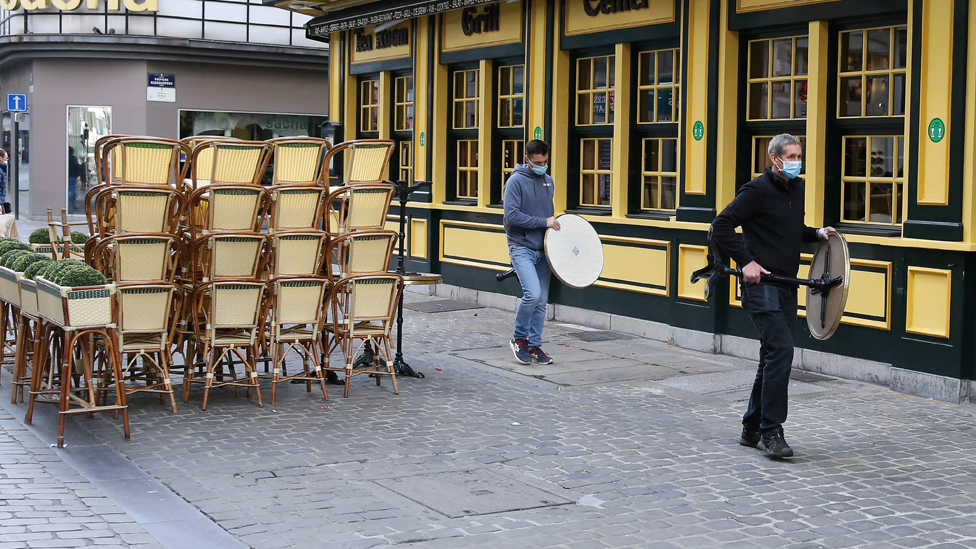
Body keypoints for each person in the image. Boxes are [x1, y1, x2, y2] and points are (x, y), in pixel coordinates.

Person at [711, 133, 835, 458]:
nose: (797, 162)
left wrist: (817, 234)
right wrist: (746, 262)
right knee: (782, 350)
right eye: (791, 156)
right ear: (775, 159)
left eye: (799, 156)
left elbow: (793, 231)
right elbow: (721, 226)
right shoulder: (756, 190)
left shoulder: (797, 189)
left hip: (787, 284)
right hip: (760, 285)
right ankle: (771, 431)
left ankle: (751, 427)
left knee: (771, 354)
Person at [503, 139, 559, 365]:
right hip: (521, 246)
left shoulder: (549, 181)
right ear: (527, 159)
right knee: (532, 294)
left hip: (544, 249)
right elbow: (511, 216)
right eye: (537, 162)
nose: (542, 165)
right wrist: (543, 222)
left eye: (545, 161)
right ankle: (519, 339)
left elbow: (549, 215)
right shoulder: (515, 182)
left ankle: (535, 344)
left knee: (542, 300)